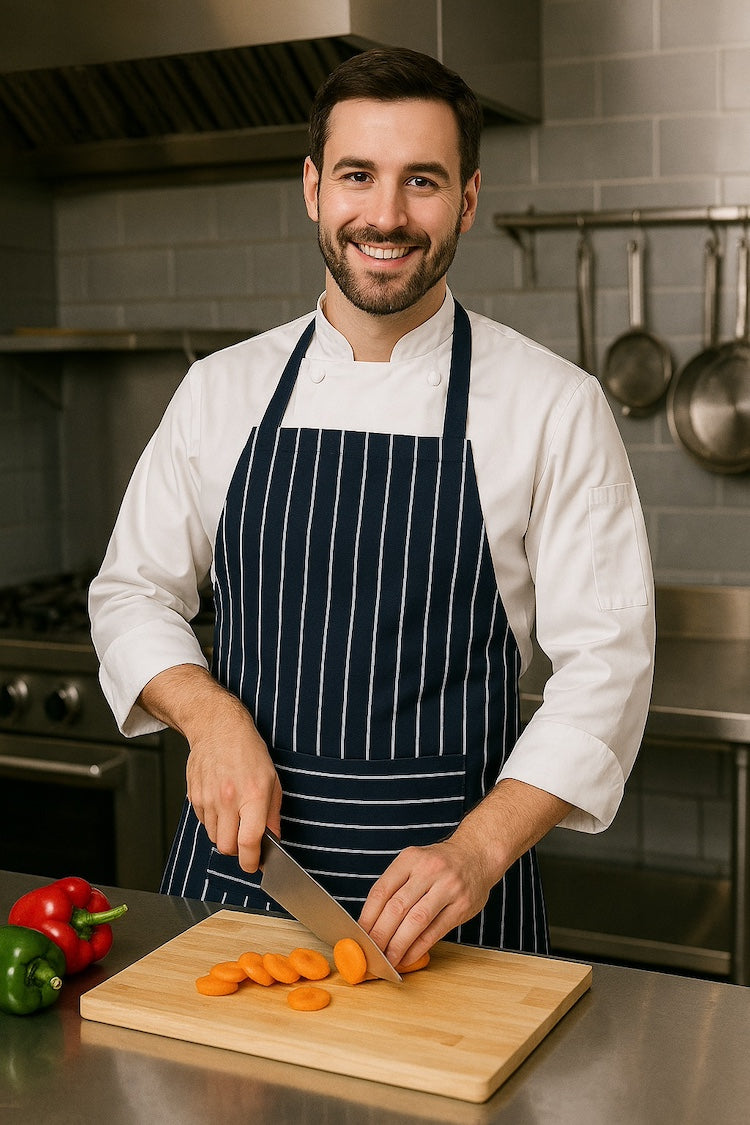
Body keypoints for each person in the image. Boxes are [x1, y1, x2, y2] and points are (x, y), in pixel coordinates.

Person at [89, 46, 655, 971]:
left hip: (452, 909)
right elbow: (130, 593)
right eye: (358, 175)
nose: (385, 216)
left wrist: (479, 851)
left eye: (421, 180)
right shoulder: (220, 390)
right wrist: (208, 716)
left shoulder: (554, 405)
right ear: (313, 188)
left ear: (467, 199)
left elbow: (608, 668)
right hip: (237, 884)